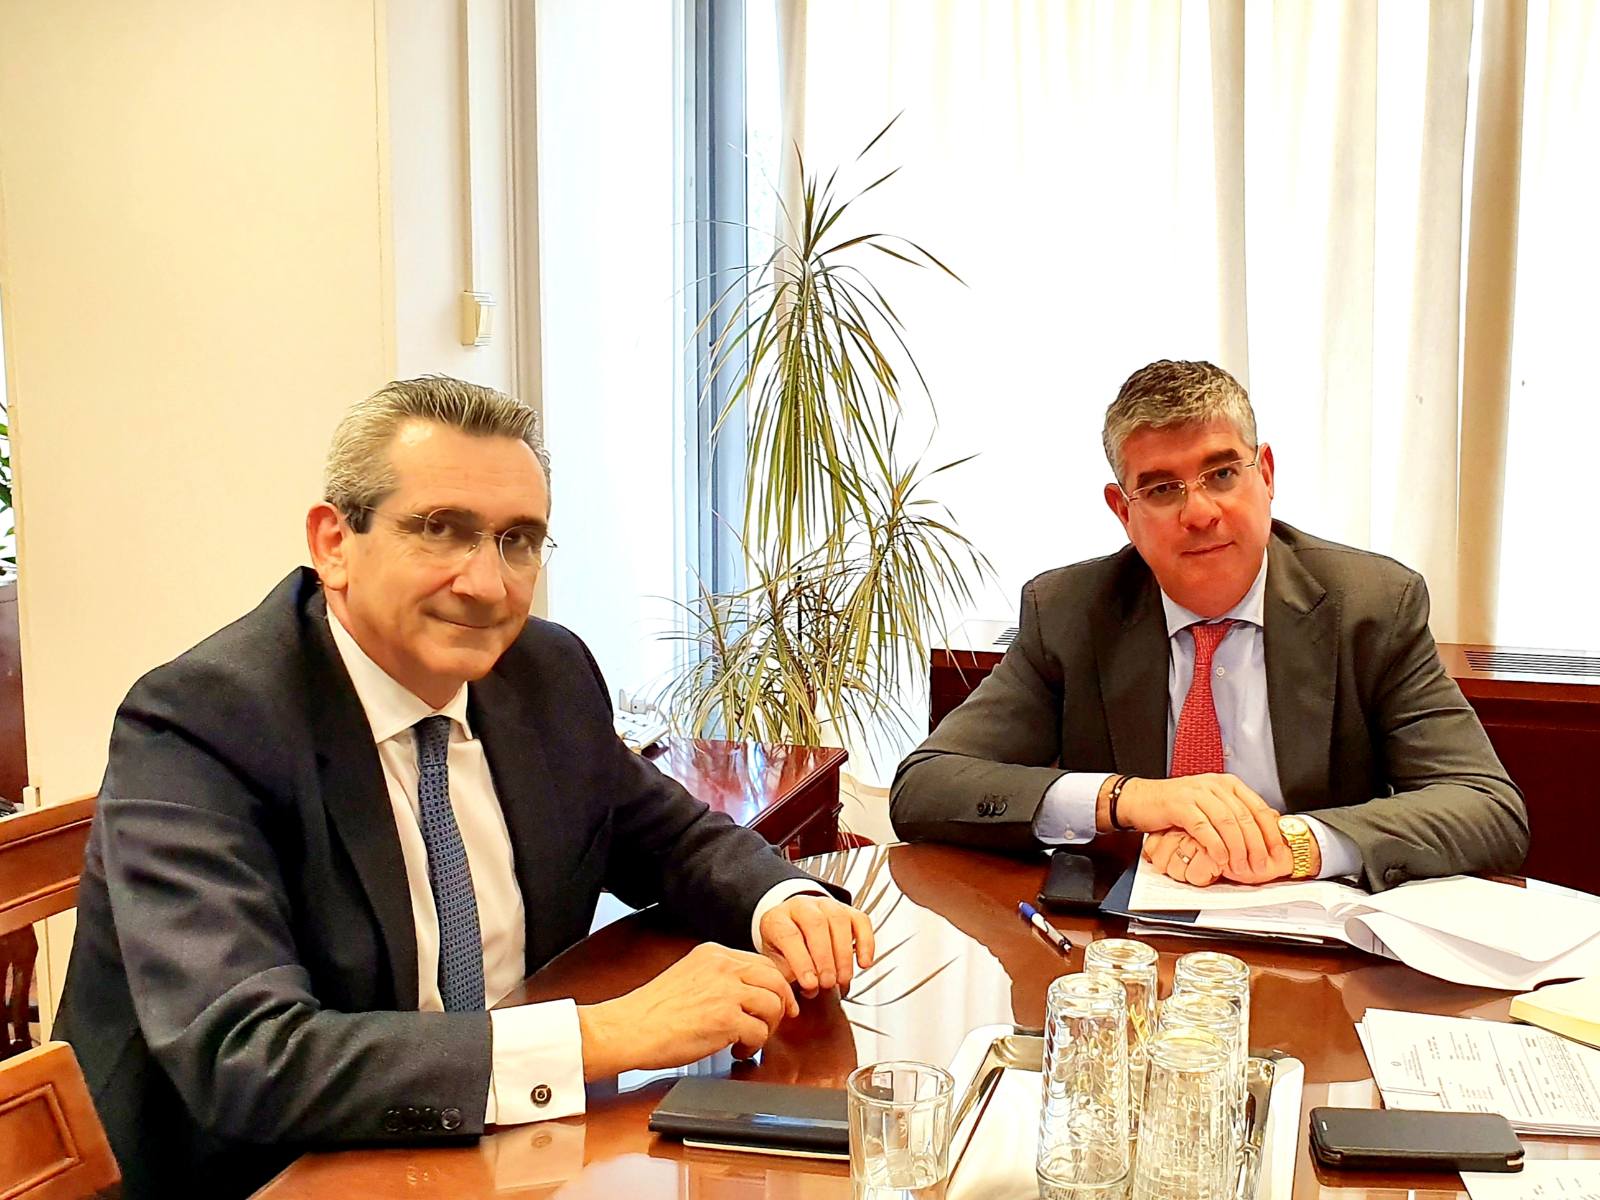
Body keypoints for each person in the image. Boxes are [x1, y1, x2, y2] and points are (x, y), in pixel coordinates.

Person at [56, 377, 874, 1199]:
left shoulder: (545, 672)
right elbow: (248, 1055)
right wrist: (606, 1035)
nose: (487, 583)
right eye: (440, 530)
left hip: (508, 1156)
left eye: (519, 540)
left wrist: (780, 901)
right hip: (268, 1176)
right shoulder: (201, 723)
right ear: (334, 543)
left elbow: (668, 836)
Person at [891, 360, 1527, 890]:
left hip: (1316, 942)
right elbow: (925, 785)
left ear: (1266, 475)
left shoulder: (1371, 605)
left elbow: (1488, 807)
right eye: (1162, 489)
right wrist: (1126, 799)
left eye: (1222, 474)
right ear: (1123, 511)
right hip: (1128, 948)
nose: (1199, 513)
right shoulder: (1069, 612)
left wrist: (1296, 844)